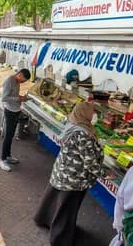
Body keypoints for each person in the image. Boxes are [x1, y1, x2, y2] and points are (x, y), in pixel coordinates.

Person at [33, 102, 105, 246]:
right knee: (67, 209)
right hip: (74, 178)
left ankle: (46, 219)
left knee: (54, 201)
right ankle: (60, 238)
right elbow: (89, 162)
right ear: (84, 114)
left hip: (62, 172)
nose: (93, 115)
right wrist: (103, 174)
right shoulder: (83, 134)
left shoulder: (72, 125)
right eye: (91, 112)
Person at [0, 68, 31, 172]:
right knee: (8, 136)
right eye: (23, 80)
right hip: (10, 111)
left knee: (11, 135)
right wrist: (19, 99)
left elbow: (14, 95)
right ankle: (2, 159)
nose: (23, 82)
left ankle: (7, 155)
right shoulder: (9, 81)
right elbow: (4, 98)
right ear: (19, 75)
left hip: (16, 110)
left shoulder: (17, 81)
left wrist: (21, 97)